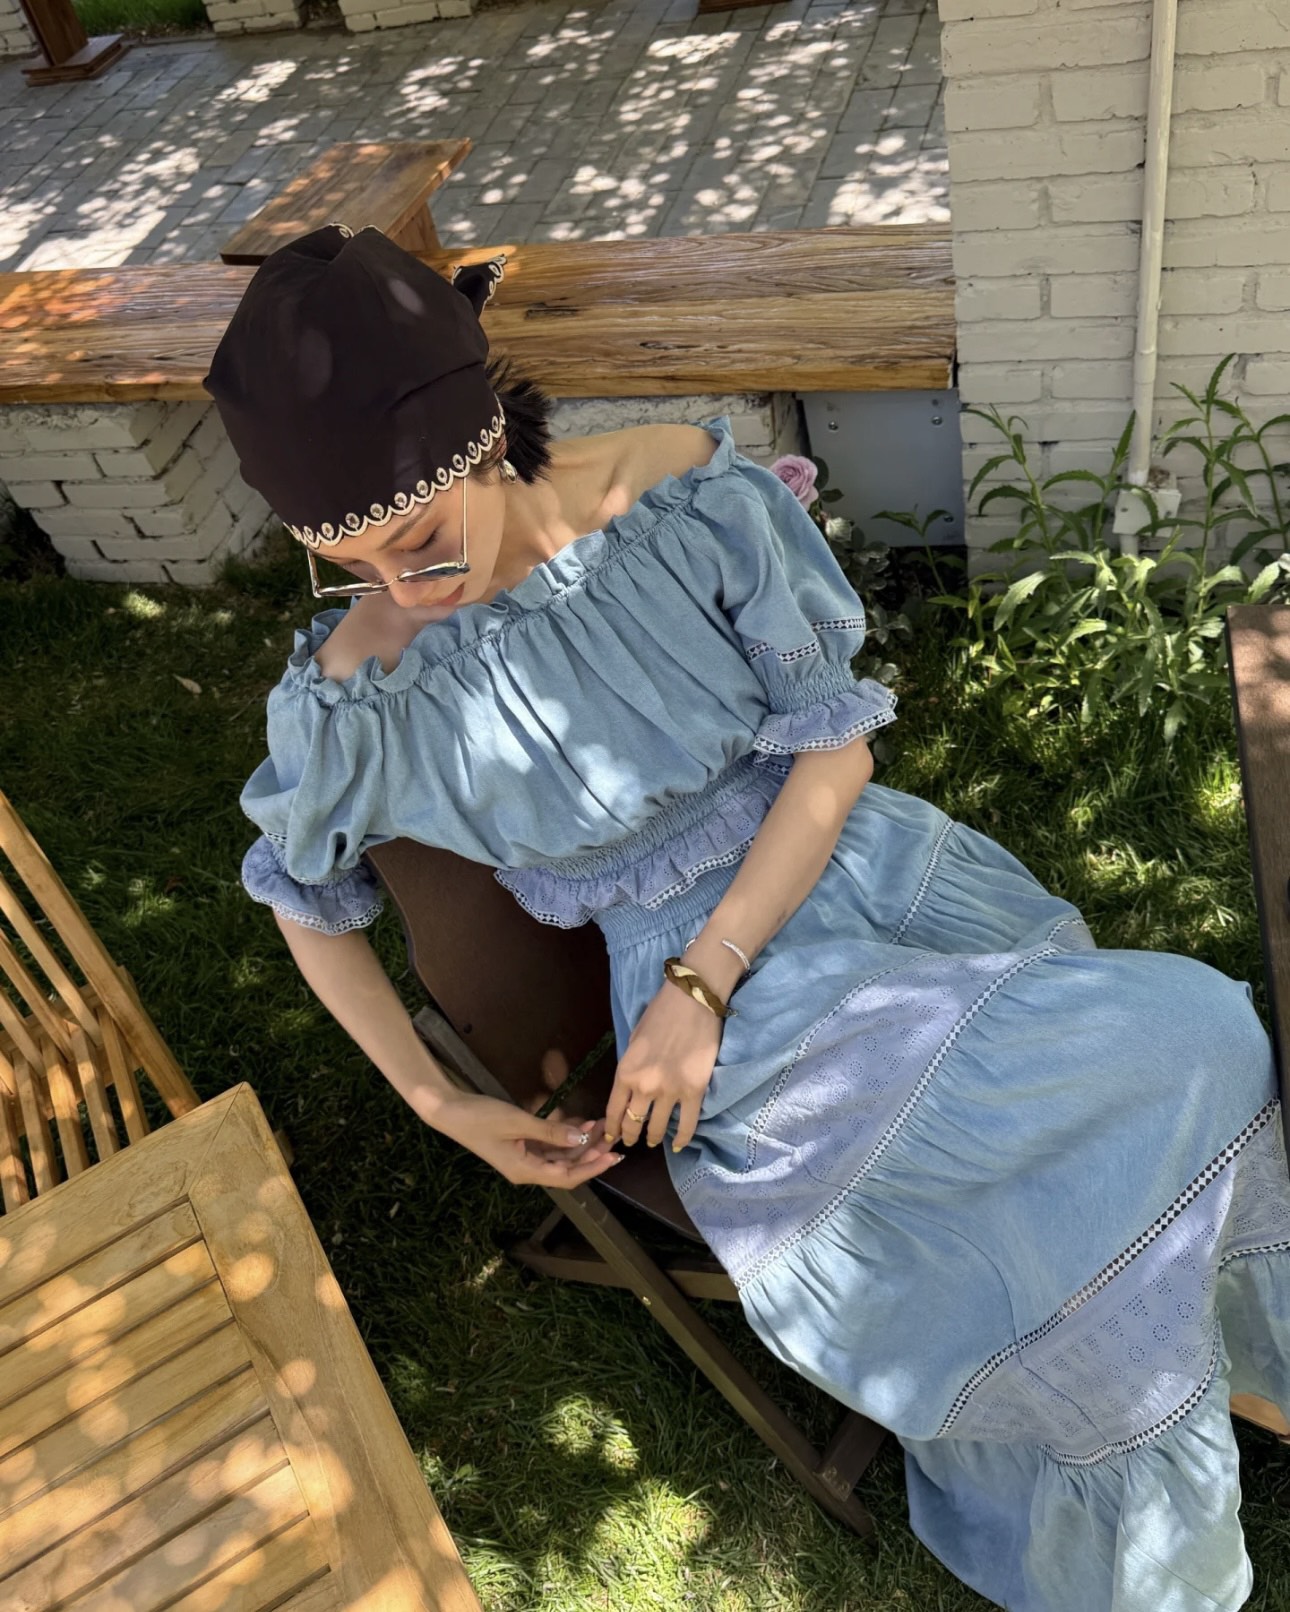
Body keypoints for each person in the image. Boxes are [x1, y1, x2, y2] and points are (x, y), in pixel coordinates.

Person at [203, 223, 1290, 1612]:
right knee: (1141, 1073)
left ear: (479, 442)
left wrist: (701, 985)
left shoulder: (677, 496)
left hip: (854, 890)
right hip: (740, 1022)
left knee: (1194, 1036)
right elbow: (303, 900)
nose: (396, 591)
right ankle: (1137, 1470)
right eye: (345, 563)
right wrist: (437, 1100)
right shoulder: (359, 694)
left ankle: (1197, 1353)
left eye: (414, 541)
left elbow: (834, 753)